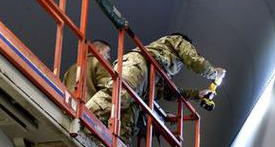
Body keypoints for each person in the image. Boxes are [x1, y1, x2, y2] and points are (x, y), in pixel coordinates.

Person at [86, 33, 225, 141]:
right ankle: (83, 116)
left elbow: (168, 92)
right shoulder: (178, 40)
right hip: (138, 65)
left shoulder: (164, 67)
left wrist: (197, 94)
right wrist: (214, 73)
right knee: (119, 95)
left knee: (128, 119)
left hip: (146, 78)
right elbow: (194, 60)